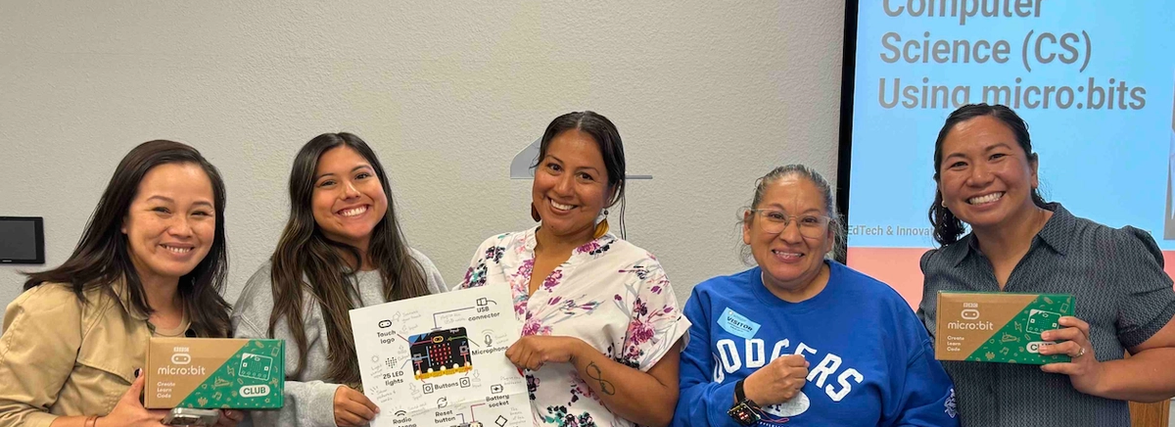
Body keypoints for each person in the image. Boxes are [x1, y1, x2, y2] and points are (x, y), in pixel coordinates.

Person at [919, 103, 1175, 426]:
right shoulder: (940, 269)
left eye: (996, 156)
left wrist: (1098, 375)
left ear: (1033, 169)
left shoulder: (1110, 250)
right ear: (941, 188)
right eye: (958, 164)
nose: (979, 177)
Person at [673, 165, 958, 427]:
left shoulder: (882, 309)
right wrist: (746, 393)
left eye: (809, 221)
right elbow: (676, 412)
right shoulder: (710, 302)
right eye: (775, 217)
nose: (791, 235)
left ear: (830, 236)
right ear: (749, 226)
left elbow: (930, 415)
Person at [457, 111, 689, 427]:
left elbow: (659, 410)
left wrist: (577, 352)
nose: (564, 188)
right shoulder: (494, 253)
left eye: (585, 176)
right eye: (553, 167)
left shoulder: (639, 272)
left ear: (612, 191)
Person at [0, 140, 242, 427]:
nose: (182, 229)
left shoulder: (214, 321)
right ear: (123, 218)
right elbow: (7, 415)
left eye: (199, 213)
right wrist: (100, 425)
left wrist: (223, 420)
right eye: (162, 210)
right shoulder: (58, 305)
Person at [233, 132, 445, 427]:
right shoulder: (280, 284)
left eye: (361, 176)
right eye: (328, 183)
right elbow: (239, 389)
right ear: (305, 200)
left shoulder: (418, 267)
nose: (350, 192)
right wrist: (316, 404)